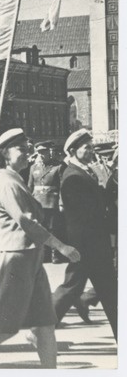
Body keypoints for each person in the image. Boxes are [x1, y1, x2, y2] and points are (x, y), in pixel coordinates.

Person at [0, 128, 80, 368]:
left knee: (44, 323)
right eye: (20, 149)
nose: (27, 153)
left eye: (27, 148)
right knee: (1, 327)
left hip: (30, 258)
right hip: (15, 261)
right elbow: (27, 221)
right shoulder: (7, 182)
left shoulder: (15, 178)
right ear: (4, 154)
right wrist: (61, 246)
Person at [51, 129, 117, 339]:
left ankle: (40, 328)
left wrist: (113, 181)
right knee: (73, 287)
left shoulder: (85, 171)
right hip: (87, 243)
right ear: (73, 150)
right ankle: (40, 328)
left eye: (91, 147)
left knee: (105, 291)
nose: (91, 151)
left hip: (93, 242)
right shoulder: (72, 176)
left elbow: (99, 200)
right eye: (86, 147)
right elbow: (86, 213)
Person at [28, 141, 64, 263]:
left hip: (52, 201)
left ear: (49, 152)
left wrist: (61, 203)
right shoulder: (34, 168)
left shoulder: (57, 167)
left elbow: (62, 187)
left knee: (54, 229)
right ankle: (44, 254)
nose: (41, 155)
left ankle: (55, 254)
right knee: (41, 229)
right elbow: (30, 186)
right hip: (38, 202)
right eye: (39, 153)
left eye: (43, 152)